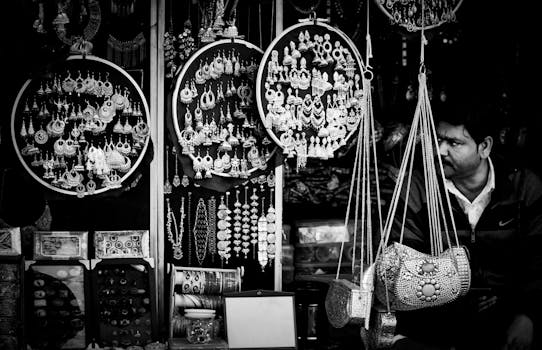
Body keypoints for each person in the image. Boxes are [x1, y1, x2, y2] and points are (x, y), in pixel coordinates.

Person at [387, 94, 542, 350]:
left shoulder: (523, 187)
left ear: (485, 146)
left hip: (507, 324)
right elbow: (404, 264)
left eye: (453, 142)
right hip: (436, 328)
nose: (440, 150)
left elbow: (538, 262)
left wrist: (527, 315)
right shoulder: (417, 188)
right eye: (437, 139)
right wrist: (457, 290)